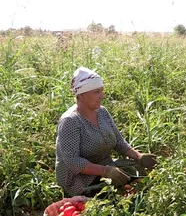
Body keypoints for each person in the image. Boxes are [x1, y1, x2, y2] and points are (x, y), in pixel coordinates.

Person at [55, 66, 157, 197]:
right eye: (96, 92)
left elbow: (119, 141)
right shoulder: (70, 121)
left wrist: (139, 156)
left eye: (101, 91)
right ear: (81, 94)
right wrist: (105, 171)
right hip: (80, 179)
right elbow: (73, 161)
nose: (101, 96)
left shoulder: (102, 111)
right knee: (113, 197)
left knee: (140, 172)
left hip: (106, 166)